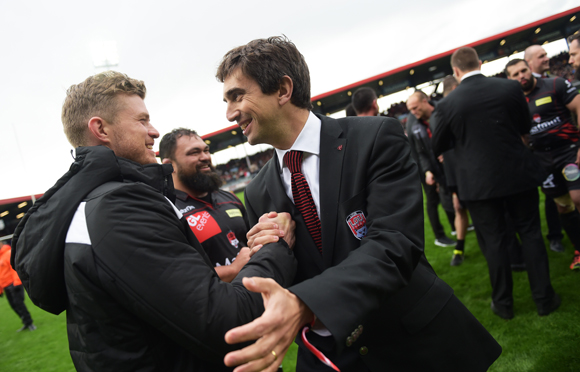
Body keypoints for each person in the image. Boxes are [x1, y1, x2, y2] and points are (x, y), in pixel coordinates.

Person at [216, 36, 501, 372]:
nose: (230, 113)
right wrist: (272, 250)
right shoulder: (257, 191)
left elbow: (395, 245)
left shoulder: (376, 136)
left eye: (237, 96)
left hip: (416, 343)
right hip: (336, 356)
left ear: (282, 89)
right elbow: (288, 276)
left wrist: (305, 304)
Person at [11, 71, 297, 372]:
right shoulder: (117, 208)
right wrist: (275, 247)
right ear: (101, 129)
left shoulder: (90, 204)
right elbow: (226, 323)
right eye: (142, 120)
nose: (154, 131)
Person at [432, 47, 560, 320]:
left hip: (478, 184)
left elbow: (438, 144)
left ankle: (503, 304)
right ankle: (544, 300)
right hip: (517, 173)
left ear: (455, 71)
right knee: (531, 234)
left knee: (494, 242)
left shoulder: (446, 104)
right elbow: (524, 127)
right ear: (480, 63)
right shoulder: (510, 89)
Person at [505, 58, 580, 270]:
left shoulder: (555, 84)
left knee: (577, 196)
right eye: (515, 74)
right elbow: (520, 135)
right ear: (510, 79)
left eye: (524, 70)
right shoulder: (514, 102)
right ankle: (578, 250)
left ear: (530, 70)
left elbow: (579, 106)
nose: (522, 76)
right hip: (543, 161)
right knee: (563, 206)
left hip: (567, 152)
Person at [159, 128, 252, 282]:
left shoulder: (229, 198)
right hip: (224, 302)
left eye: (206, 150)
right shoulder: (169, 212)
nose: (205, 157)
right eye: (194, 152)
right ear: (170, 166)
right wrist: (232, 269)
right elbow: (179, 276)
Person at [524, 45, 565, 251]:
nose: (547, 58)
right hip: (542, 156)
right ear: (529, 63)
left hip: (566, 151)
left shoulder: (555, 82)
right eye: (541, 56)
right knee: (552, 197)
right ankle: (555, 235)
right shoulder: (521, 91)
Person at [406, 91, 457, 248]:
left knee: (451, 193)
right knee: (433, 200)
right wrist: (427, 171)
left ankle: (456, 226)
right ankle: (439, 235)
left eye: (415, 107)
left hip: (444, 163)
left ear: (425, 101)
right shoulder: (413, 123)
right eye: (410, 109)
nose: (413, 112)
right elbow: (420, 152)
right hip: (425, 167)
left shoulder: (440, 111)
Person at [0, 243, 36, 332]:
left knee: (19, 304)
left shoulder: (8, 253)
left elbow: (14, 269)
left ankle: (30, 323)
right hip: (5, 286)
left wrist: (16, 283)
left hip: (13, 285)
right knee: (14, 306)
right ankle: (25, 322)